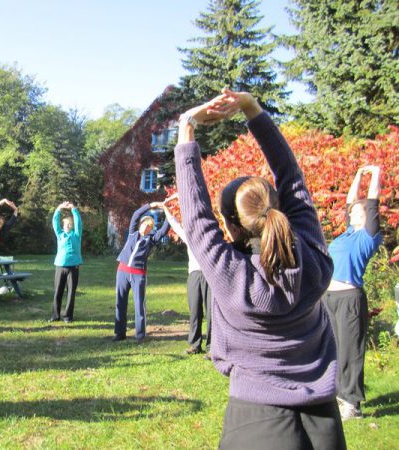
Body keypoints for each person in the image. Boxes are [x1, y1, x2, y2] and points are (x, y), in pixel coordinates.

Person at [174, 89, 345, 449]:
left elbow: (195, 217)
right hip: (324, 419)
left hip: (255, 419)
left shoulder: (231, 275)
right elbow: (292, 178)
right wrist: (252, 110)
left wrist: (187, 128)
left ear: (231, 225)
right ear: (280, 211)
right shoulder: (314, 260)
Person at [322, 165, 382, 421]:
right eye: (354, 210)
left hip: (349, 299)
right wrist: (358, 173)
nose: (355, 210)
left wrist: (375, 173)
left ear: (367, 215)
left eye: (360, 210)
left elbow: (372, 201)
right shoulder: (347, 233)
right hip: (330, 297)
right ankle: (336, 394)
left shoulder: (368, 236)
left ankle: (352, 404)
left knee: (350, 351)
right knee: (332, 347)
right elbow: (350, 200)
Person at [113, 202, 170, 342]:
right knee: (120, 302)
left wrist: (168, 211)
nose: (147, 227)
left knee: (139, 305)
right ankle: (119, 333)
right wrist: (151, 205)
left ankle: (140, 335)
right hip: (123, 271)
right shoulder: (133, 232)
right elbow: (136, 214)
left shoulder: (151, 240)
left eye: (150, 226)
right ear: (140, 224)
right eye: (145, 224)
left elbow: (164, 229)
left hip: (138, 275)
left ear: (151, 229)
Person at [163, 194, 212, 355]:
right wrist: (165, 209)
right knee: (194, 310)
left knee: (211, 311)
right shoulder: (190, 237)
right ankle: (195, 344)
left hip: (209, 275)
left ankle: (212, 346)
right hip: (194, 275)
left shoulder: (211, 237)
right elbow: (175, 225)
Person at [48, 201, 83, 323]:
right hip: (60, 267)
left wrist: (73, 209)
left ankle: (68, 316)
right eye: (66, 224)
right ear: (63, 226)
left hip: (74, 267)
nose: (68, 226)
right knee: (58, 291)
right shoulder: (60, 234)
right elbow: (54, 222)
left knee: (71, 293)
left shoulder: (76, 235)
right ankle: (55, 315)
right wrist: (59, 208)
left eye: (70, 224)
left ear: (72, 225)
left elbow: (79, 222)